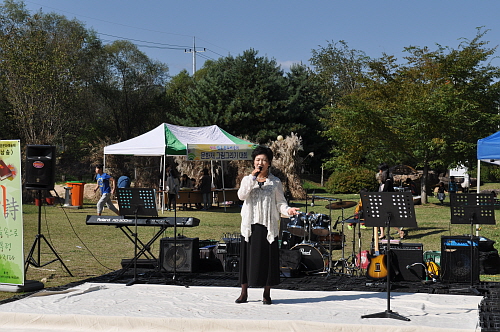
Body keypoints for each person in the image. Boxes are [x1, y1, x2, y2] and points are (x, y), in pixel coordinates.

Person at [235, 146, 300, 305]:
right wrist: (252, 178)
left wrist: (288, 210)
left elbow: (280, 204)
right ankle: (244, 293)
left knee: (268, 260)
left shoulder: (275, 182)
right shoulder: (247, 179)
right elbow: (242, 196)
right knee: (247, 259)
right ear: (253, 162)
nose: (260, 163)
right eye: (257, 160)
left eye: (263, 160)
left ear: (269, 163)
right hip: (250, 226)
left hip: (268, 226)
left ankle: (267, 293)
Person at [377, 163, 405, 239]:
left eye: (380, 171)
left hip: (387, 202)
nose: (379, 172)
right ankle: (382, 234)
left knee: (388, 219)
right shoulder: (383, 181)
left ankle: (400, 231)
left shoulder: (388, 181)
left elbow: (384, 191)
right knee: (380, 218)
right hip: (383, 201)